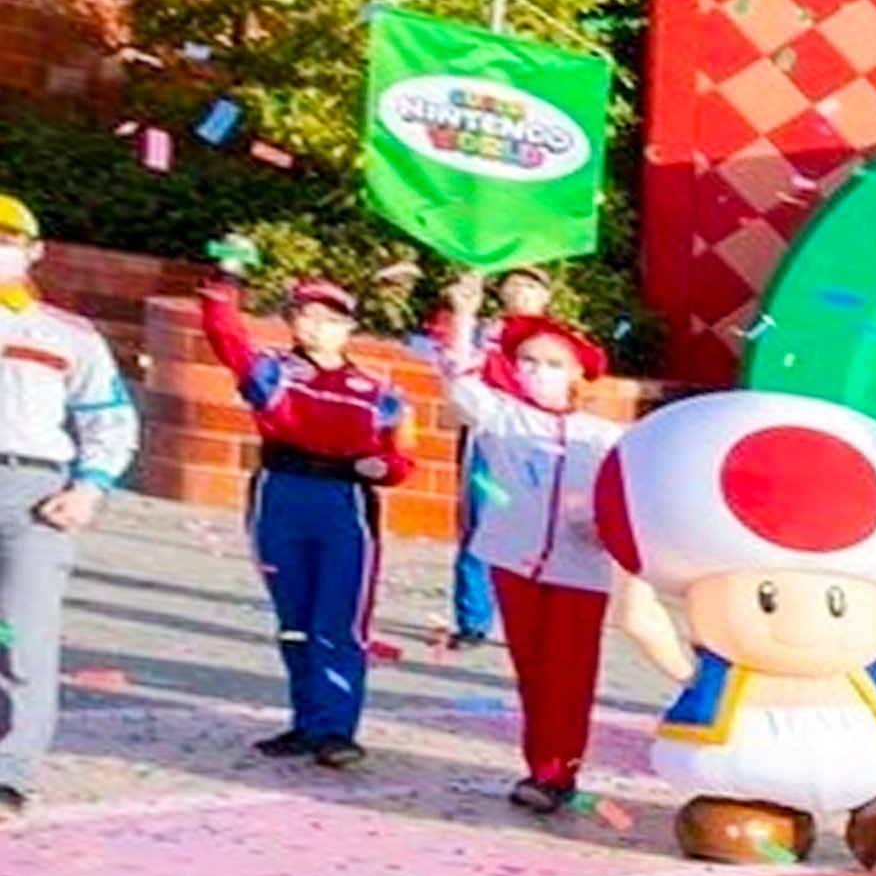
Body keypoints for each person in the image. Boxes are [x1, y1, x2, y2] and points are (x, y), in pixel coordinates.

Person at [595, 387, 876, 872]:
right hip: (744, 766)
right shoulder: (721, 670)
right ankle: (757, 820)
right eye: (768, 600)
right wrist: (630, 570)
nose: (807, 626)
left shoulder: (867, 667)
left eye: (836, 603)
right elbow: (643, 625)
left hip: (871, 765)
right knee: (734, 825)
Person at [195, 273, 411, 768]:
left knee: (340, 618)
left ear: (349, 327)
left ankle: (336, 729)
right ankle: (306, 722)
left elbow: (401, 458)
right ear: (291, 321)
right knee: (294, 619)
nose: (316, 326)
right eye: (306, 315)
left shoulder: (378, 392)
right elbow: (227, 340)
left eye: (330, 319)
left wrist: (385, 468)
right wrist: (221, 292)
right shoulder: (273, 372)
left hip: (344, 503)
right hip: (281, 493)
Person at [432, 271, 625, 814]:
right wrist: (464, 315)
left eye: (553, 363)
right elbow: (458, 378)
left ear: (577, 373)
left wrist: (606, 527)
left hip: (580, 569)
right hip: (513, 560)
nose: (539, 372)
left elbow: (633, 498)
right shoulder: (501, 417)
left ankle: (559, 771)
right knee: (532, 670)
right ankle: (540, 766)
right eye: (529, 362)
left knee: (570, 673)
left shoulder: (604, 437)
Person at [0, 199, 138, 812]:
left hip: (32, 491)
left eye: (8, 240)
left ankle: (10, 769)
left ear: (34, 252)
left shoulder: (67, 335)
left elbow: (110, 419)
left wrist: (89, 487)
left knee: (22, 636)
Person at [434, 262, 551, 654]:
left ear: (545, 296)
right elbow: (454, 363)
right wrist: (463, 313)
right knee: (481, 524)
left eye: (530, 286)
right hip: (488, 439)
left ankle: (533, 619)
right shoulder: (484, 333)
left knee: (537, 531)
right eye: (513, 284)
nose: (520, 292)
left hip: (536, 443)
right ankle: (474, 619)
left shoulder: (557, 342)